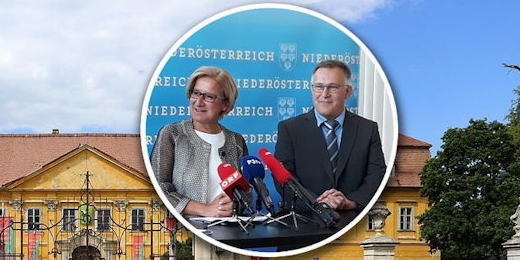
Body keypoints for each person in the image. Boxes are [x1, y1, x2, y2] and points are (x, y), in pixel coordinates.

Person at [273, 59, 386, 212]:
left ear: (347, 92)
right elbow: (283, 177)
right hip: (305, 220)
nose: (324, 94)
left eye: (332, 87)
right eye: (319, 87)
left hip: (353, 219)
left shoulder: (367, 129)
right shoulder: (290, 129)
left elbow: (376, 174)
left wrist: (351, 202)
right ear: (312, 89)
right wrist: (317, 203)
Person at [150, 66, 249, 217]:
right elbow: (158, 188)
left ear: (225, 105)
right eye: (196, 93)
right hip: (185, 232)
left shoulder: (237, 141)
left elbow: (247, 192)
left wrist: (234, 205)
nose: (198, 102)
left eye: (209, 96)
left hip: (231, 232)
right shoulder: (172, 134)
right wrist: (205, 209)